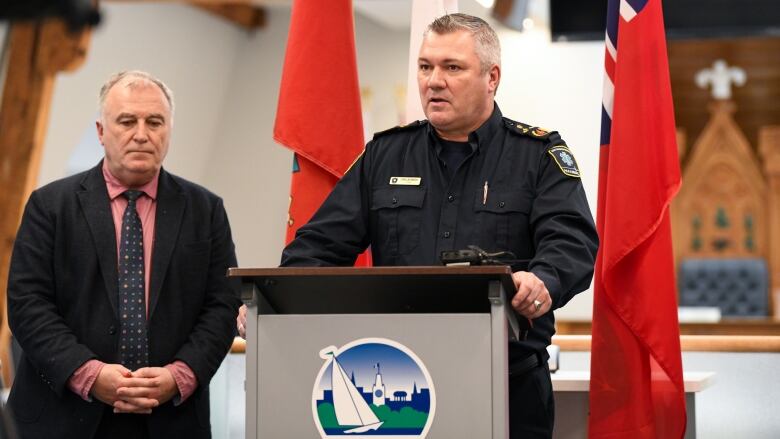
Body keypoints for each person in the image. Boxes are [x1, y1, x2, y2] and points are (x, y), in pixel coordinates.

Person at [239, 13, 598, 438]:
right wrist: (275, 304)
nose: (433, 81)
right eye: (425, 67)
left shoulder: (537, 156)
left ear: (492, 77)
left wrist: (543, 281)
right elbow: (316, 247)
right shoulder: (385, 155)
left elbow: (571, 242)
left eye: (452, 67)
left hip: (508, 384)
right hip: (401, 383)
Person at [7, 71, 241, 439]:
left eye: (155, 121)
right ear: (101, 132)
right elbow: (27, 303)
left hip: (170, 418)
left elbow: (223, 304)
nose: (142, 134)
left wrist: (180, 375)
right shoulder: (50, 205)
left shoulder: (206, 210)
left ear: (169, 130)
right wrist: (88, 373)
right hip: (62, 416)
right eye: (127, 121)